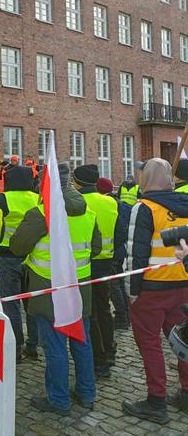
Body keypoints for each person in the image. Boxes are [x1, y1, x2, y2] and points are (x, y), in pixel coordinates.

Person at [10, 161, 100, 415]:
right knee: (82, 341)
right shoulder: (88, 211)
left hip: (48, 289)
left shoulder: (42, 214)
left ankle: (59, 399)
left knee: (55, 345)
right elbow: (95, 248)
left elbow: (18, 247)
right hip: (80, 288)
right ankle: (86, 392)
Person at [122, 158, 188, 424]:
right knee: (183, 341)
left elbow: (135, 252)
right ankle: (185, 393)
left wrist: (131, 291)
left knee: (150, 344)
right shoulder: (185, 204)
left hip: (151, 289)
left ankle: (156, 401)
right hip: (182, 285)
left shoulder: (144, 207)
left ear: (146, 179)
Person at [73, 165, 120, 379]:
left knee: (89, 313)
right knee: (103, 309)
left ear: (77, 182)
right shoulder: (111, 201)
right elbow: (119, 234)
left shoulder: (78, 202)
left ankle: (98, 359)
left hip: (85, 263)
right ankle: (109, 350)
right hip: (107, 263)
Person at [0, 166, 40, 361]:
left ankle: (16, 347)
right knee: (32, 303)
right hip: (32, 257)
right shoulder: (38, 198)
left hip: (7, 256)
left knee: (11, 304)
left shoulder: (2, 199)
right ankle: (33, 344)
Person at [97, 177, 132, 330]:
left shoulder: (107, 205)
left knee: (114, 286)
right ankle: (126, 315)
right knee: (119, 284)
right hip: (120, 250)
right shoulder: (122, 204)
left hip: (112, 252)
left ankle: (122, 317)